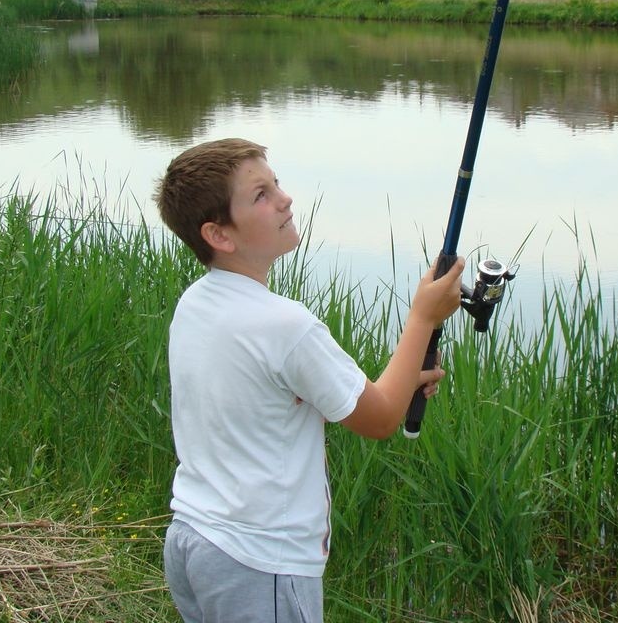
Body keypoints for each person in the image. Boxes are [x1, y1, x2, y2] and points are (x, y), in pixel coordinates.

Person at [154, 137, 464, 623]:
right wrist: (423, 318)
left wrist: (403, 379)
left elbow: (282, 394)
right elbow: (380, 418)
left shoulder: (195, 304)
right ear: (219, 235)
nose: (285, 198)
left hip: (193, 540)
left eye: (276, 183)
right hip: (259, 562)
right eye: (260, 195)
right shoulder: (287, 326)